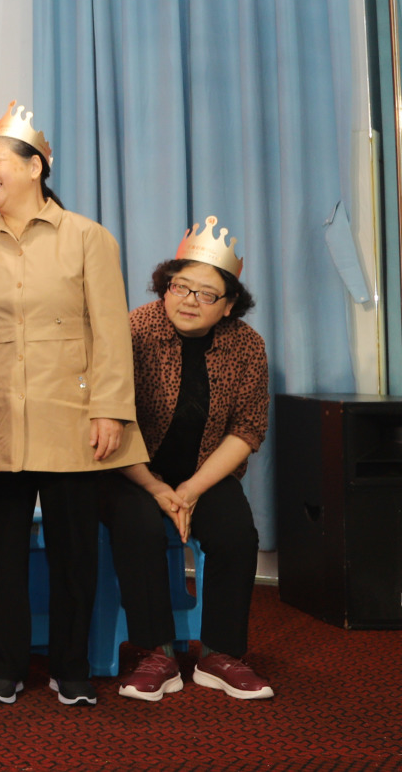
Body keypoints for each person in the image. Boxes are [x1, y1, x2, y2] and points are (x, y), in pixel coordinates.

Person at [0, 102, 145, 709]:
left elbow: (111, 331)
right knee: (1, 553)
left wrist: (109, 408)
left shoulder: (87, 238)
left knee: (75, 551)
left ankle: (72, 668)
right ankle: (3, 669)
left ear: (36, 166)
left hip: (72, 416)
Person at [102, 217, 273, 701]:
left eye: (206, 294)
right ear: (166, 286)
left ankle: (220, 655)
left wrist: (191, 490)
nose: (189, 300)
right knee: (137, 526)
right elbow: (110, 417)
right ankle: (156, 653)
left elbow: (247, 429)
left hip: (203, 474)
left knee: (236, 533)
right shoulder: (132, 330)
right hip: (130, 471)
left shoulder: (246, 345)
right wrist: (155, 487)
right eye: (180, 287)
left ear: (229, 304)